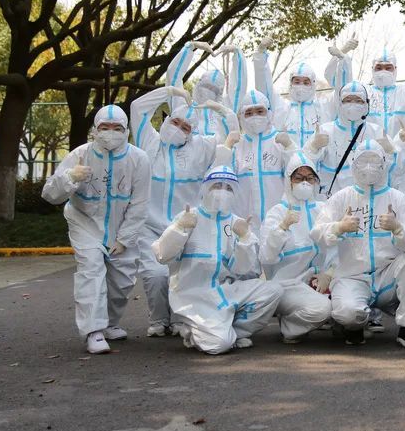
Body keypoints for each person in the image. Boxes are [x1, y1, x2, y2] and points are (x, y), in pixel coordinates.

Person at [42, 106, 150, 354]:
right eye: (104, 127)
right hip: (85, 223)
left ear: (126, 130)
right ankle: (94, 331)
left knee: (122, 282)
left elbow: (140, 203)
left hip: (121, 227)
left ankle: (109, 323)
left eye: (117, 128)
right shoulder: (80, 155)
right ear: (95, 129)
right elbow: (50, 194)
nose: (110, 133)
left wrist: (125, 238)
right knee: (91, 273)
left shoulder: (139, 159)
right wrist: (70, 177)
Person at [130, 85, 237, 336]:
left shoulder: (200, 149)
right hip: (149, 226)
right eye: (175, 122)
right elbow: (137, 107)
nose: (178, 129)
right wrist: (169, 91)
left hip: (185, 226)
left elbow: (231, 136)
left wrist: (222, 111)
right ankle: (159, 319)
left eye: (186, 127)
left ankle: (181, 318)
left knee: (181, 277)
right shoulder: (148, 141)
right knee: (156, 275)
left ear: (192, 133)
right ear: (166, 120)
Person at [151, 166, 284, 354]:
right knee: (218, 345)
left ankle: (235, 332)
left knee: (273, 290)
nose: (222, 191)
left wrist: (245, 239)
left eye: (229, 188)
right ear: (206, 188)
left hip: (226, 292)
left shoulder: (237, 223)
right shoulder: (188, 217)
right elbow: (162, 256)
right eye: (217, 186)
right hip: (194, 297)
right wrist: (179, 228)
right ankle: (196, 330)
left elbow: (243, 270)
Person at [311, 140, 405, 350]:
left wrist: (397, 228)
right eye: (363, 161)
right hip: (353, 276)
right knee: (348, 313)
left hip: (388, 277)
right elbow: (317, 233)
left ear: (384, 163)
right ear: (353, 163)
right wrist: (339, 227)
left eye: (374, 160)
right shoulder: (341, 198)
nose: (368, 167)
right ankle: (354, 325)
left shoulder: (398, 199)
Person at [259, 153, 334, 343]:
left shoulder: (323, 209)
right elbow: (266, 257)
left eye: (310, 178)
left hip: (319, 281)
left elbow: (337, 247)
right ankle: (291, 326)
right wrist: (282, 228)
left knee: (349, 305)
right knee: (322, 310)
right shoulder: (277, 213)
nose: (305, 183)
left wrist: (330, 273)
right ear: (288, 181)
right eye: (299, 178)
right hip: (288, 285)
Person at [304, 80, 397, 196]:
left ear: (366, 104)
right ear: (340, 104)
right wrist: (313, 148)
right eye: (347, 100)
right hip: (333, 198)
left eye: (358, 101)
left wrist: (390, 153)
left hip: (368, 199)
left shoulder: (377, 132)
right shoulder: (325, 131)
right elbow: (304, 166)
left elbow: (395, 172)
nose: (353, 105)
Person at [219, 89, 292, 225]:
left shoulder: (280, 141)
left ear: (269, 113)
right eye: (249, 113)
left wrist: (290, 148)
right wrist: (226, 147)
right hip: (244, 222)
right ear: (241, 116)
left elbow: (296, 174)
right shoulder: (237, 145)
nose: (254, 116)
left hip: (277, 221)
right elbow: (221, 178)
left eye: (260, 111)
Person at [251, 38, 331, 149]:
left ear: (313, 84)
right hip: (286, 159)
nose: (301, 86)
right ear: (291, 84)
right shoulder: (282, 107)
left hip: (316, 159)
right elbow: (264, 88)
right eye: (297, 82)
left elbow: (343, 95)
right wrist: (260, 56)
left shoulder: (322, 107)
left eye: (305, 82)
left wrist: (341, 59)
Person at [164, 41, 247, 143]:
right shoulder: (183, 107)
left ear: (220, 93)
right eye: (205, 85)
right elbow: (173, 78)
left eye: (213, 89)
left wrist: (237, 55)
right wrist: (190, 47)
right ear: (198, 84)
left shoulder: (225, 112)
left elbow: (238, 88)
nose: (207, 91)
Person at [329, 41, 405, 137]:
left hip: (401, 145)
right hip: (368, 145)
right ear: (372, 69)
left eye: (388, 68)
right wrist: (342, 56)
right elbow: (338, 84)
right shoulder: (363, 91)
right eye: (379, 68)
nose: (383, 71)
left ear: (395, 69)